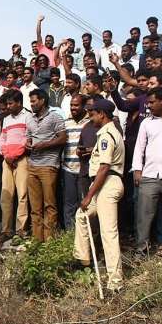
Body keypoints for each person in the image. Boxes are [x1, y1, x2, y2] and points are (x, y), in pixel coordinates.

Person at [73, 99, 125, 292]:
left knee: (108, 232)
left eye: (93, 113)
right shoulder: (107, 132)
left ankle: (115, 282)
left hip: (108, 182)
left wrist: (89, 196)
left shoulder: (106, 135)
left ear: (102, 114)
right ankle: (83, 259)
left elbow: (104, 168)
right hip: (102, 183)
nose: (90, 117)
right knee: (82, 215)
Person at [132, 88, 162, 255]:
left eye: (151, 102)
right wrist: (137, 170)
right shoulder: (146, 123)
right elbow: (139, 148)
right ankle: (141, 250)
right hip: (149, 175)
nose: (148, 106)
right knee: (144, 216)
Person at [26, 89, 67, 241]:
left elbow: (63, 138)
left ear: (42, 100)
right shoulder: (29, 119)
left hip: (49, 165)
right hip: (32, 164)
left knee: (49, 205)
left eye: (34, 101)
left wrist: (44, 145)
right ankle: (37, 240)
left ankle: (49, 241)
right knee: (35, 207)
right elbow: (29, 137)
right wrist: (29, 143)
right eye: (30, 102)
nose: (31, 104)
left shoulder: (55, 117)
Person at [0, 89, 31, 243]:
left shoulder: (28, 116)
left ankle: (21, 229)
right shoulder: (6, 119)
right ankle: (6, 229)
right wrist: (6, 155)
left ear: (19, 103)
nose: (9, 106)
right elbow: (2, 138)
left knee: (22, 195)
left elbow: (27, 138)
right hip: (7, 161)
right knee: (6, 195)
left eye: (11, 103)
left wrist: (15, 155)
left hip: (21, 160)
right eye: (7, 104)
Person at [62, 95, 89, 229]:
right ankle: (69, 234)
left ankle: (83, 233)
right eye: (72, 105)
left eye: (76, 105)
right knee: (69, 204)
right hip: (68, 168)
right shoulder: (66, 122)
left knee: (83, 203)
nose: (73, 108)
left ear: (84, 106)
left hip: (84, 169)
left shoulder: (89, 122)